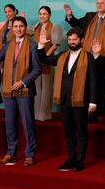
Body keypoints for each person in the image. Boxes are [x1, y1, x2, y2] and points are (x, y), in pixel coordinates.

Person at [38, 27, 99, 172]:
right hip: (64, 101)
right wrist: (41, 46)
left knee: (81, 132)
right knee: (69, 132)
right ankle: (70, 159)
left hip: (81, 101)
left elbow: (94, 81)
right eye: (70, 40)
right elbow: (44, 59)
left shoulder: (89, 57)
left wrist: (93, 101)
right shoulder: (62, 56)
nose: (72, 42)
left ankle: (80, 161)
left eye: (75, 39)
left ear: (82, 40)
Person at [0, 16, 41, 167]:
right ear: (12, 28)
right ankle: (11, 153)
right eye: (15, 26)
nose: (18, 29)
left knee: (28, 124)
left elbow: (37, 69)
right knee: (10, 124)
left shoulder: (33, 45)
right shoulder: (8, 45)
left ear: (25, 27)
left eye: (21, 26)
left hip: (25, 91)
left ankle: (29, 155)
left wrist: (23, 82)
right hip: (9, 91)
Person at [64, 0, 105, 124]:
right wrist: (70, 15)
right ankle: (91, 115)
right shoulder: (89, 16)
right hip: (89, 57)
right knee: (90, 86)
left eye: (102, 3)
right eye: (97, 3)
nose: (99, 5)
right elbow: (77, 25)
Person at [32, 5, 63, 121]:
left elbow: (55, 45)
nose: (42, 16)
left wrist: (45, 57)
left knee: (46, 88)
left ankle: (45, 114)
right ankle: (36, 114)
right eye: (40, 14)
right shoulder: (36, 27)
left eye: (44, 13)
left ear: (49, 15)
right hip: (36, 61)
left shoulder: (55, 27)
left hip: (48, 61)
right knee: (37, 88)